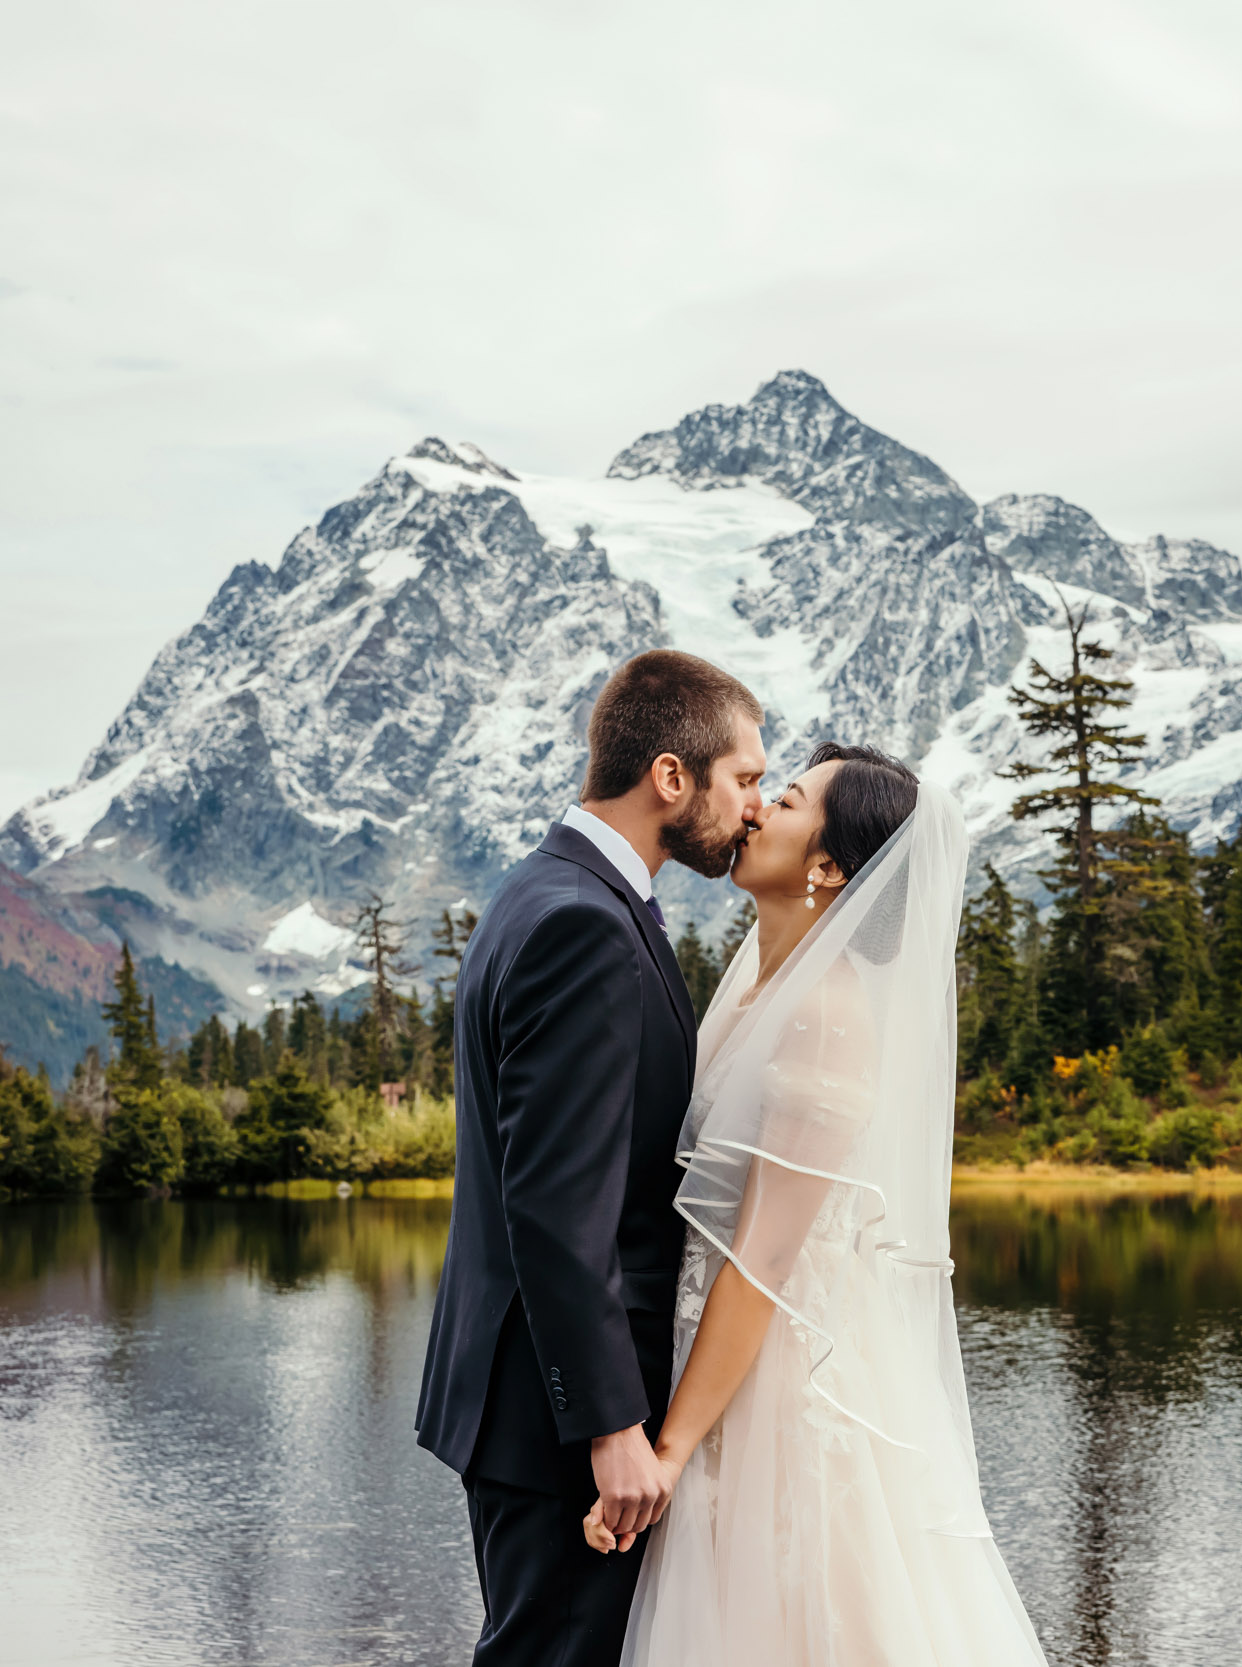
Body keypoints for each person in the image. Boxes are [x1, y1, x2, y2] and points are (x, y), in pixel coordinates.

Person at [604, 742, 1049, 1666]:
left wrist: (675, 1450)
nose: (756, 807)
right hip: (716, 1359)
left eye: (789, 799)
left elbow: (763, 1261)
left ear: (830, 865)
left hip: (781, 1388)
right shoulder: (762, 984)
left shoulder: (828, 1013)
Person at [416, 649, 768, 1667]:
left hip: (523, 1400)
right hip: (560, 1422)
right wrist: (613, 1425)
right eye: (743, 777)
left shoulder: (544, 891)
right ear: (671, 776)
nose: (752, 805)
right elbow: (556, 1206)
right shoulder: (581, 923)